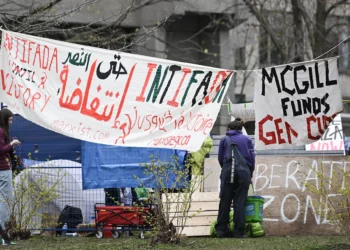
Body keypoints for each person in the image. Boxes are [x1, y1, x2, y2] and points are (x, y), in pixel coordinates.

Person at [215, 118, 255, 238]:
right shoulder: (247, 139)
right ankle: (239, 231)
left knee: (225, 200)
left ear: (229, 129)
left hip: (228, 171)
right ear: (241, 129)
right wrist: (250, 172)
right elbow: (252, 158)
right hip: (244, 172)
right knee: (240, 201)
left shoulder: (224, 139)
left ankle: (221, 230)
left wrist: (227, 169)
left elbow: (220, 158)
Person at [0, 109, 21, 231]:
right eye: (10, 120)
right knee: (5, 200)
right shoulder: (1, 131)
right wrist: (12, 144)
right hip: (3, 170)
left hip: (2, 169)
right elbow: (1, 150)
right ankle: (3, 232)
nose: (11, 122)